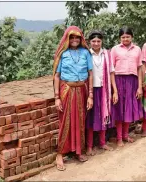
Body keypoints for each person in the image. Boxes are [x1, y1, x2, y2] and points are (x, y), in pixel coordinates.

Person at [53, 26, 93, 170]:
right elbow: (57, 76)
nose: (75, 40)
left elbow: (90, 74)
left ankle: (78, 151)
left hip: (82, 90)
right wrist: (57, 97)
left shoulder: (86, 53)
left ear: (81, 39)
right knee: (65, 122)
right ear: (67, 39)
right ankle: (60, 154)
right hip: (66, 91)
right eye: (72, 37)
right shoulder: (63, 54)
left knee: (80, 121)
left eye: (77, 37)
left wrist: (91, 96)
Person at [86, 30, 118, 156]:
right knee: (90, 118)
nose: (96, 43)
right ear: (90, 42)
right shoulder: (87, 54)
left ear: (102, 41)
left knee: (104, 115)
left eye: (98, 41)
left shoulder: (106, 54)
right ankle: (89, 146)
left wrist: (115, 90)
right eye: (93, 41)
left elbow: (111, 73)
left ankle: (102, 142)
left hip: (104, 90)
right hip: (91, 90)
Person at [111, 27, 143, 146]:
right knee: (119, 110)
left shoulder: (137, 49)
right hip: (119, 81)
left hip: (132, 81)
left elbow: (139, 68)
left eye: (127, 36)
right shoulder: (115, 50)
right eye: (123, 37)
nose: (125, 39)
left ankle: (125, 135)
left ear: (132, 37)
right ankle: (119, 138)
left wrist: (139, 87)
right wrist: (114, 89)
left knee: (128, 109)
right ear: (120, 38)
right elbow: (111, 71)